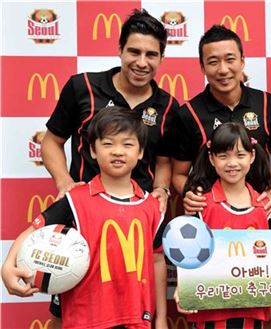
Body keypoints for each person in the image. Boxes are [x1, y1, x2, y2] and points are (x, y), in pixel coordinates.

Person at [1, 107, 168, 329]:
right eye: (108, 144)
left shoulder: (152, 206)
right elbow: (32, 232)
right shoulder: (75, 200)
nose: (118, 151)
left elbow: (157, 261)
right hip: (85, 319)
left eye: (127, 144)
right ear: (92, 150)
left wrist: (161, 318)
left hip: (137, 319)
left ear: (140, 152)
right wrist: (7, 268)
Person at [42, 8, 178, 209]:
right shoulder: (82, 87)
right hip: (83, 208)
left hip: (139, 212)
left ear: (161, 58)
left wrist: (161, 189)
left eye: (151, 55)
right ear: (120, 49)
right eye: (134, 52)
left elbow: (163, 162)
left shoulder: (168, 106)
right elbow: (51, 142)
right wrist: (65, 183)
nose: (141, 62)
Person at [171, 24, 271, 219]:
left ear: (242, 61)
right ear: (202, 67)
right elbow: (178, 174)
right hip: (209, 219)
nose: (223, 69)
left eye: (230, 59)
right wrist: (190, 194)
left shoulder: (267, 103)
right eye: (213, 62)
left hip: (259, 218)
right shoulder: (188, 114)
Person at [175, 122, 271, 329]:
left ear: (252, 156)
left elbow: (269, 259)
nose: (232, 163)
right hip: (209, 310)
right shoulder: (201, 205)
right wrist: (182, 285)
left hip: (252, 310)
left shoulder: (263, 206)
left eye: (240, 155)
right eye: (223, 156)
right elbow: (188, 253)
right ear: (211, 159)